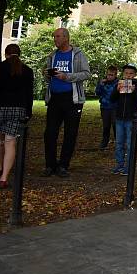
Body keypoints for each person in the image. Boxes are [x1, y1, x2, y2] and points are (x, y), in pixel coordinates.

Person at [0, 44, 34, 189]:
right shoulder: (27, 71)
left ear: (6, 54)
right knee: (10, 142)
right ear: (19, 54)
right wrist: (28, 111)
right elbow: (29, 94)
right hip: (17, 109)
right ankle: (4, 177)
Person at [43, 28, 91, 178]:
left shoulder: (77, 54)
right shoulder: (52, 55)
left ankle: (63, 165)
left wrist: (67, 77)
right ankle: (50, 165)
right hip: (54, 99)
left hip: (72, 99)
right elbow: (48, 76)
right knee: (50, 133)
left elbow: (86, 73)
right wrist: (46, 74)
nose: (55, 39)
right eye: (54, 37)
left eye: (57, 37)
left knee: (70, 133)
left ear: (66, 38)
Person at [109, 64, 137, 175]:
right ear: (123, 74)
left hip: (131, 119)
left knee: (130, 144)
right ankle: (119, 164)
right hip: (119, 118)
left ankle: (129, 167)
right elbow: (112, 99)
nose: (128, 76)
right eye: (126, 73)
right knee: (119, 143)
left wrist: (133, 91)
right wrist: (117, 90)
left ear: (135, 75)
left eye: (131, 73)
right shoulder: (118, 84)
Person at [94, 65, 119, 151]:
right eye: (108, 74)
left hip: (115, 107)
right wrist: (100, 85)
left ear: (115, 75)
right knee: (106, 126)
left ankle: (118, 142)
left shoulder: (119, 83)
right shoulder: (103, 82)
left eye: (111, 75)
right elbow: (97, 93)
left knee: (115, 125)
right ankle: (104, 142)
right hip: (104, 107)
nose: (109, 76)